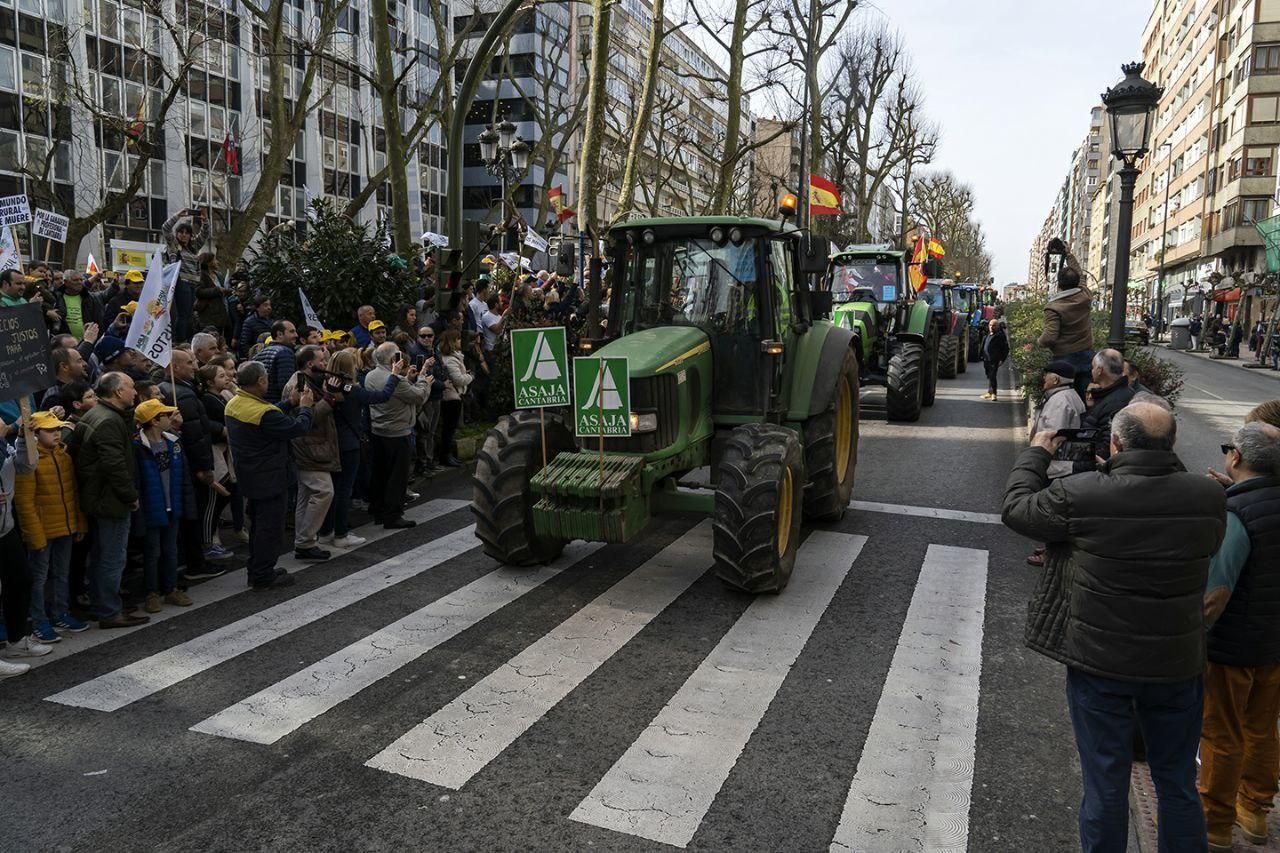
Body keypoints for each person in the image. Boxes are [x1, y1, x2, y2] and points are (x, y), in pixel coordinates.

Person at [1003, 403, 1227, 853]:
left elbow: (1017, 509)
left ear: (1116, 443)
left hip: (1100, 661)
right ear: (1172, 444)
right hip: (1178, 663)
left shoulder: (1084, 493)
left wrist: (1038, 453)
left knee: (1106, 782)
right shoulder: (1209, 496)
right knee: (1177, 781)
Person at [1199, 423, 1280, 851]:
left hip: (1233, 645)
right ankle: (1256, 811)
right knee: (1263, 728)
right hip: (1273, 642)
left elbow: (1216, 595)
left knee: (1222, 732)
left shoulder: (1236, 513)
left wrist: (1194, 638)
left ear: (1236, 457)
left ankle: (1215, 821)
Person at [224, 360, 315, 590]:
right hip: (270, 477)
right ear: (261, 381)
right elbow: (297, 428)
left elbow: (267, 419)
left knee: (258, 525)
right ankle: (263, 575)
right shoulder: (263, 413)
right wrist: (305, 407)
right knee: (270, 528)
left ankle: (257, 568)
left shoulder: (234, 403)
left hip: (250, 476)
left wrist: (289, 402)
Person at [78, 372, 149, 628]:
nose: (135, 392)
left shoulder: (99, 414)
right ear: (118, 392)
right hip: (109, 499)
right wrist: (130, 496)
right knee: (112, 557)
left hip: (99, 497)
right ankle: (109, 611)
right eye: (130, 387)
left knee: (102, 555)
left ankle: (103, 605)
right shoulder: (108, 421)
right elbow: (114, 465)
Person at [318, 348, 406, 547]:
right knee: (344, 491)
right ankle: (341, 534)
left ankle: (325, 531)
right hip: (349, 445)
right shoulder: (352, 390)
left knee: (331, 491)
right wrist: (394, 375)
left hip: (331, 443)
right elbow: (382, 396)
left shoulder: (326, 388)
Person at [14, 410, 89, 644]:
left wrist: (78, 522)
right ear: (35, 434)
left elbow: (73, 492)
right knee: (39, 578)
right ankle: (39, 622)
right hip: (43, 530)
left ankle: (60, 613)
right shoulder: (29, 462)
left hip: (65, 527)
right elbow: (25, 502)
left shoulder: (64, 456)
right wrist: (34, 535)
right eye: (49, 430)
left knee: (61, 574)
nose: (56, 433)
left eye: (57, 429)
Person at [160, 347, 225, 580]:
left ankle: (188, 559)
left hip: (184, 464)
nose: (194, 366)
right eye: (188, 362)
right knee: (194, 514)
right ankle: (196, 563)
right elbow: (194, 434)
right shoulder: (183, 394)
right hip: (192, 466)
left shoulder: (170, 389)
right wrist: (204, 467)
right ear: (175, 367)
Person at [133, 399, 195, 613]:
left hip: (172, 504)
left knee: (171, 549)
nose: (171, 418)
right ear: (154, 421)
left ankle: (171, 588)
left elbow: (184, 476)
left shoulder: (174, 442)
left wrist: (187, 503)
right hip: (151, 506)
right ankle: (151, 592)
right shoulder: (137, 447)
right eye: (166, 415)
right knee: (152, 552)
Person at [365, 342, 430, 528]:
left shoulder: (370, 375)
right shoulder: (396, 380)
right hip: (398, 432)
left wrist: (407, 378)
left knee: (380, 474)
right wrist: (423, 379)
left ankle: (378, 511)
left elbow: (398, 392)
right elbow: (418, 396)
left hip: (378, 430)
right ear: (394, 359)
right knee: (397, 477)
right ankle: (393, 516)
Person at [282, 346, 336, 561]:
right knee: (324, 491)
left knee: (306, 496)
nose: (325, 364)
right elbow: (306, 417)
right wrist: (328, 398)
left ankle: (304, 542)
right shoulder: (299, 384)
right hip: (307, 448)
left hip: (312, 446)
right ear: (310, 364)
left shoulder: (311, 381)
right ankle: (305, 541)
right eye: (322, 360)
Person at [0, 434, 48, 671]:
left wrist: (24, 436)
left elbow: (26, 466)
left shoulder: (2, 445)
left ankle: (17, 640)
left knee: (21, 579)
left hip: (5, 528)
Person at [1036, 264, 1094, 399]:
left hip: (1064, 358)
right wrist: (1069, 255)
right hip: (1086, 354)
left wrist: (1038, 341)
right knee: (1084, 395)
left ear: (1059, 284)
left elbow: (1050, 336)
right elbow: (1081, 277)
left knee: (1064, 396)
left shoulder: (1054, 307)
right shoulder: (1086, 296)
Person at [161, 207, 207, 343]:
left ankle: (185, 338)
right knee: (183, 313)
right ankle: (179, 340)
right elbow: (165, 228)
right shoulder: (174, 245)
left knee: (189, 314)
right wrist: (178, 215)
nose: (184, 235)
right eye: (181, 232)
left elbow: (204, 234)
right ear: (177, 234)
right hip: (181, 281)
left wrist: (205, 221)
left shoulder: (194, 246)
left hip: (193, 283)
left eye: (187, 233)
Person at [411, 326, 447, 476]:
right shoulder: (417, 353)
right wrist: (443, 384)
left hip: (436, 396)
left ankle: (429, 462)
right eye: (423, 336)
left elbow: (442, 368)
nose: (426, 338)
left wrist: (444, 380)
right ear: (418, 337)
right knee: (425, 432)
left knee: (431, 431)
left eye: (429, 335)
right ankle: (423, 465)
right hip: (427, 398)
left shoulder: (434, 350)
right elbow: (422, 376)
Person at [439, 330, 472, 468]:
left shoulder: (453, 357)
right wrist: (470, 376)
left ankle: (448, 455)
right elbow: (458, 379)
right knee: (449, 428)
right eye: (458, 339)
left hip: (454, 395)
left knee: (450, 428)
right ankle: (445, 456)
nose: (460, 341)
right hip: (452, 397)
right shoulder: (451, 359)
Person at [254, 320, 298, 402]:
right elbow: (286, 388)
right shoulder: (285, 352)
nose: (296, 335)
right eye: (292, 332)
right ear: (279, 334)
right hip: (278, 405)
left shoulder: (260, 354)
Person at [54, 270, 104, 340]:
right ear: (66, 282)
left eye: (81, 280)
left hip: (88, 341)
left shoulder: (87, 296)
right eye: (75, 280)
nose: (80, 282)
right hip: (65, 342)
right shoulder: (56, 297)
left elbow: (105, 294)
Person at [980, 318, 1008, 401]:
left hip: (994, 360)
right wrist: (981, 355)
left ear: (997, 326)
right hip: (986, 359)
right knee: (989, 375)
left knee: (992, 376)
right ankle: (990, 392)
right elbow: (983, 345)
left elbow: (1006, 349)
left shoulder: (1000, 336)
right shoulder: (988, 334)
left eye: (994, 325)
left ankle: (994, 394)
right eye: (990, 325)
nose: (991, 327)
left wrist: (1002, 360)